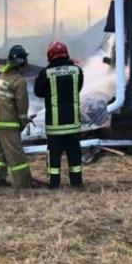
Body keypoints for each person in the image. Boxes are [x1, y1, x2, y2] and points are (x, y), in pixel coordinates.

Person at [34, 41, 84, 189]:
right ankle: (77, 182)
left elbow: (38, 92)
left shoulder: (46, 73)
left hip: (55, 127)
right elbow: (78, 88)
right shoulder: (77, 71)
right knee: (74, 155)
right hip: (73, 124)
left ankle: (54, 185)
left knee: (54, 158)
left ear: (50, 56)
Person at [0, 44, 33, 189]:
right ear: (21, 62)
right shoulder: (19, 81)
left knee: (0, 154)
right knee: (17, 155)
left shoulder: (2, 77)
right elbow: (22, 107)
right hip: (10, 124)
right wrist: (24, 121)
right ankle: (24, 183)